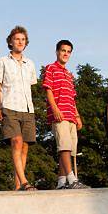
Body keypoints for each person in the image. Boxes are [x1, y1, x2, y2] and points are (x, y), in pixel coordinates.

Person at [0, 26, 39, 191]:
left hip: (27, 109)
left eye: (23, 39)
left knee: (25, 146)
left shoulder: (30, 64)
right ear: (10, 42)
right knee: (16, 142)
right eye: (17, 39)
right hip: (9, 107)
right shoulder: (3, 62)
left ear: (26, 43)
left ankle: (18, 185)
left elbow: (31, 86)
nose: (20, 42)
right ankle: (25, 182)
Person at [43, 40, 86, 189]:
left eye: (68, 51)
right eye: (63, 50)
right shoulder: (51, 68)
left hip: (71, 117)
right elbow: (48, 90)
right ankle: (72, 179)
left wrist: (77, 116)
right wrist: (55, 109)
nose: (65, 54)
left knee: (69, 149)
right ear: (57, 52)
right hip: (59, 115)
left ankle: (61, 182)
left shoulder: (69, 74)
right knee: (64, 147)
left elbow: (72, 98)